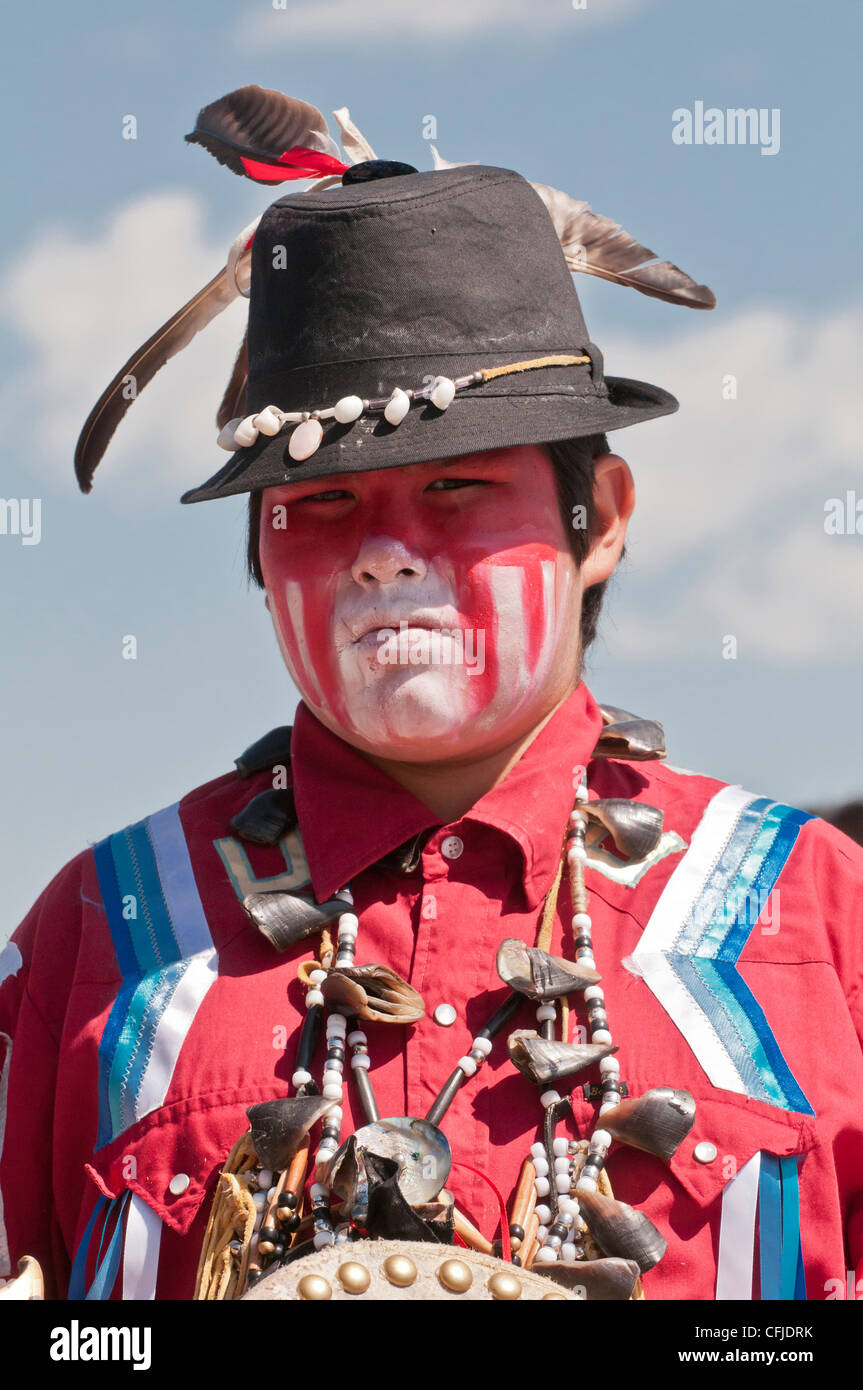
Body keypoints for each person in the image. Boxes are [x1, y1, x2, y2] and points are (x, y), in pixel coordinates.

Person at [1, 86, 862, 1304]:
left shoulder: (817, 918)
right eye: (326, 503)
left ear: (600, 519)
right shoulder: (100, 935)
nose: (385, 554)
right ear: (258, 550)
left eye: (456, 488)